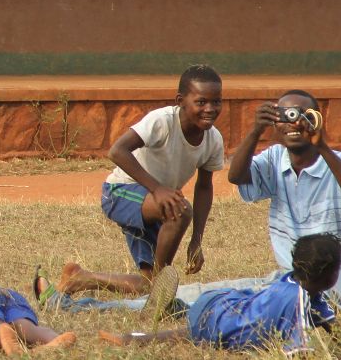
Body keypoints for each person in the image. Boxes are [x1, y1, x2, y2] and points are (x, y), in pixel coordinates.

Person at [57, 65, 225, 299]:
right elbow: (117, 151)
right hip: (119, 192)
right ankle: (160, 288)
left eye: (216, 102)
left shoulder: (213, 139)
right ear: (180, 100)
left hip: (157, 204)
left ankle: (81, 278)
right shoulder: (162, 121)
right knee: (180, 210)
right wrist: (158, 189)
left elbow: (205, 187)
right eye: (201, 102)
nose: (210, 109)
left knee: (147, 283)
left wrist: (196, 240)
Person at [228, 90, 341, 310]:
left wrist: (322, 147)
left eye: (301, 115)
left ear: (316, 120)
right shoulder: (275, 158)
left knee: (240, 306)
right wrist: (256, 130)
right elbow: (236, 176)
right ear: (276, 124)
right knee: (230, 293)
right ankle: (180, 302)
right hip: (288, 285)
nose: (293, 123)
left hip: (331, 294)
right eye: (285, 116)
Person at [98, 233, 341, 355]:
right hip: (221, 319)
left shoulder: (291, 280)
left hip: (221, 303)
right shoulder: (299, 302)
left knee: (193, 332)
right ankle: (170, 313)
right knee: (200, 335)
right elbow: (298, 355)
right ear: (327, 274)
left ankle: (135, 335)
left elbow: (332, 326)